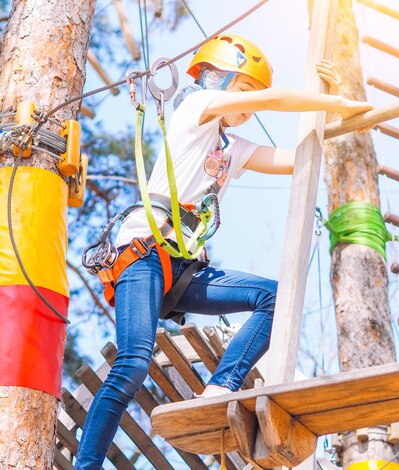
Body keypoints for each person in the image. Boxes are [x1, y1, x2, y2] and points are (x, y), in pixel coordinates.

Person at [74, 33, 372, 468]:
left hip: (181, 269)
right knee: (134, 363)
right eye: (244, 89)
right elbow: (277, 100)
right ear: (217, 79)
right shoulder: (195, 112)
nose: (251, 104)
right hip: (142, 253)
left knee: (275, 298)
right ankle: (87, 465)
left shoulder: (234, 149)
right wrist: (327, 102)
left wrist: (337, 104)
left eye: (255, 96)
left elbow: (302, 159)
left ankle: (221, 387)